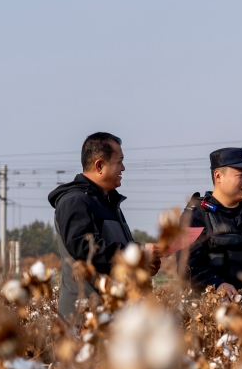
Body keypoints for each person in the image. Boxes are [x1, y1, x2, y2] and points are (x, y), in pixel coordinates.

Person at [49, 132, 160, 317]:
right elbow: (86, 250)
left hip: (111, 313)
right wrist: (138, 254)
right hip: (85, 316)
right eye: (119, 162)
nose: (123, 168)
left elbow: (113, 257)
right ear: (99, 165)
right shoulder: (75, 202)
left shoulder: (108, 204)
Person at [185, 148, 242, 300]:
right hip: (209, 310)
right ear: (218, 176)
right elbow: (187, 265)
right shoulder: (195, 217)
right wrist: (217, 285)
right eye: (241, 175)